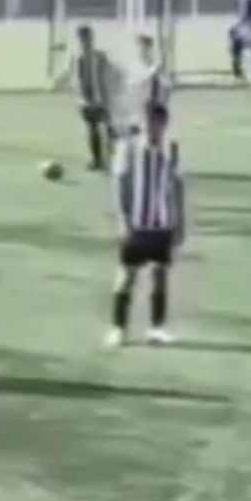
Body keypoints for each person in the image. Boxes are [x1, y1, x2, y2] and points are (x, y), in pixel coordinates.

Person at [105, 104, 186, 348]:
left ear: (164, 125)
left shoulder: (172, 150)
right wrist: (123, 218)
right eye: (149, 123)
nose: (152, 128)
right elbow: (120, 183)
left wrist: (179, 222)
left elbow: (177, 186)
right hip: (136, 224)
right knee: (126, 277)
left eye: (157, 124)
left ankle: (156, 328)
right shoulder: (129, 149)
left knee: (160, 276)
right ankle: (118, 329)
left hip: (162, 224)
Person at [72, 25, 114, 171]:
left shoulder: (100, 56)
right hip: (87, 99)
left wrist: (107, 96)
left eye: (88, 38)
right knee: (93, 128)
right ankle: (97, 160)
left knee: (109, 127)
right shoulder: (78, 58)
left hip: (103, 97)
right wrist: (84, 99)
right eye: (82, 39)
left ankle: (111, 157)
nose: (85, 42)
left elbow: (108, 74)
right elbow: (78, 80)